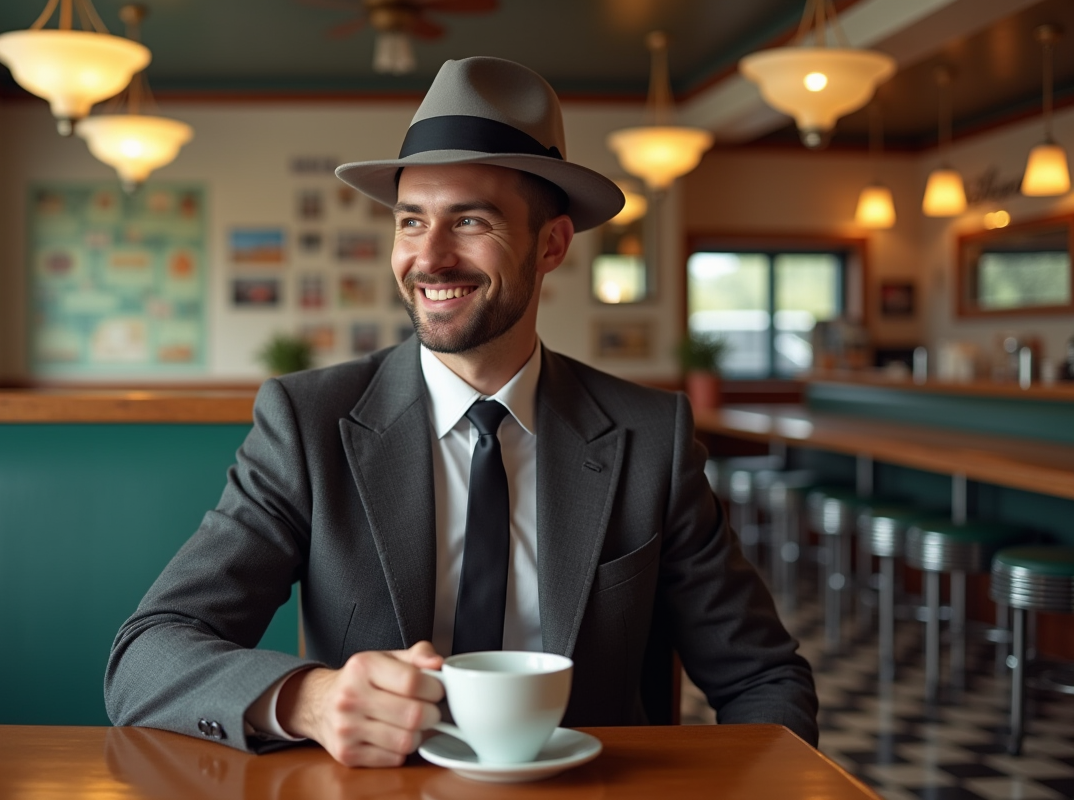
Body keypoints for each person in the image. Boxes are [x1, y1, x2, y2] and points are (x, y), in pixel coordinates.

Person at [105, 56, 817, 767]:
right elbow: (147, 654)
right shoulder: (307, 423)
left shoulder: (650, 439)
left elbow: (763, 677)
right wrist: (310, 700)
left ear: (552, 244)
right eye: (411, 221)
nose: (430, 257)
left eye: (470, 220)